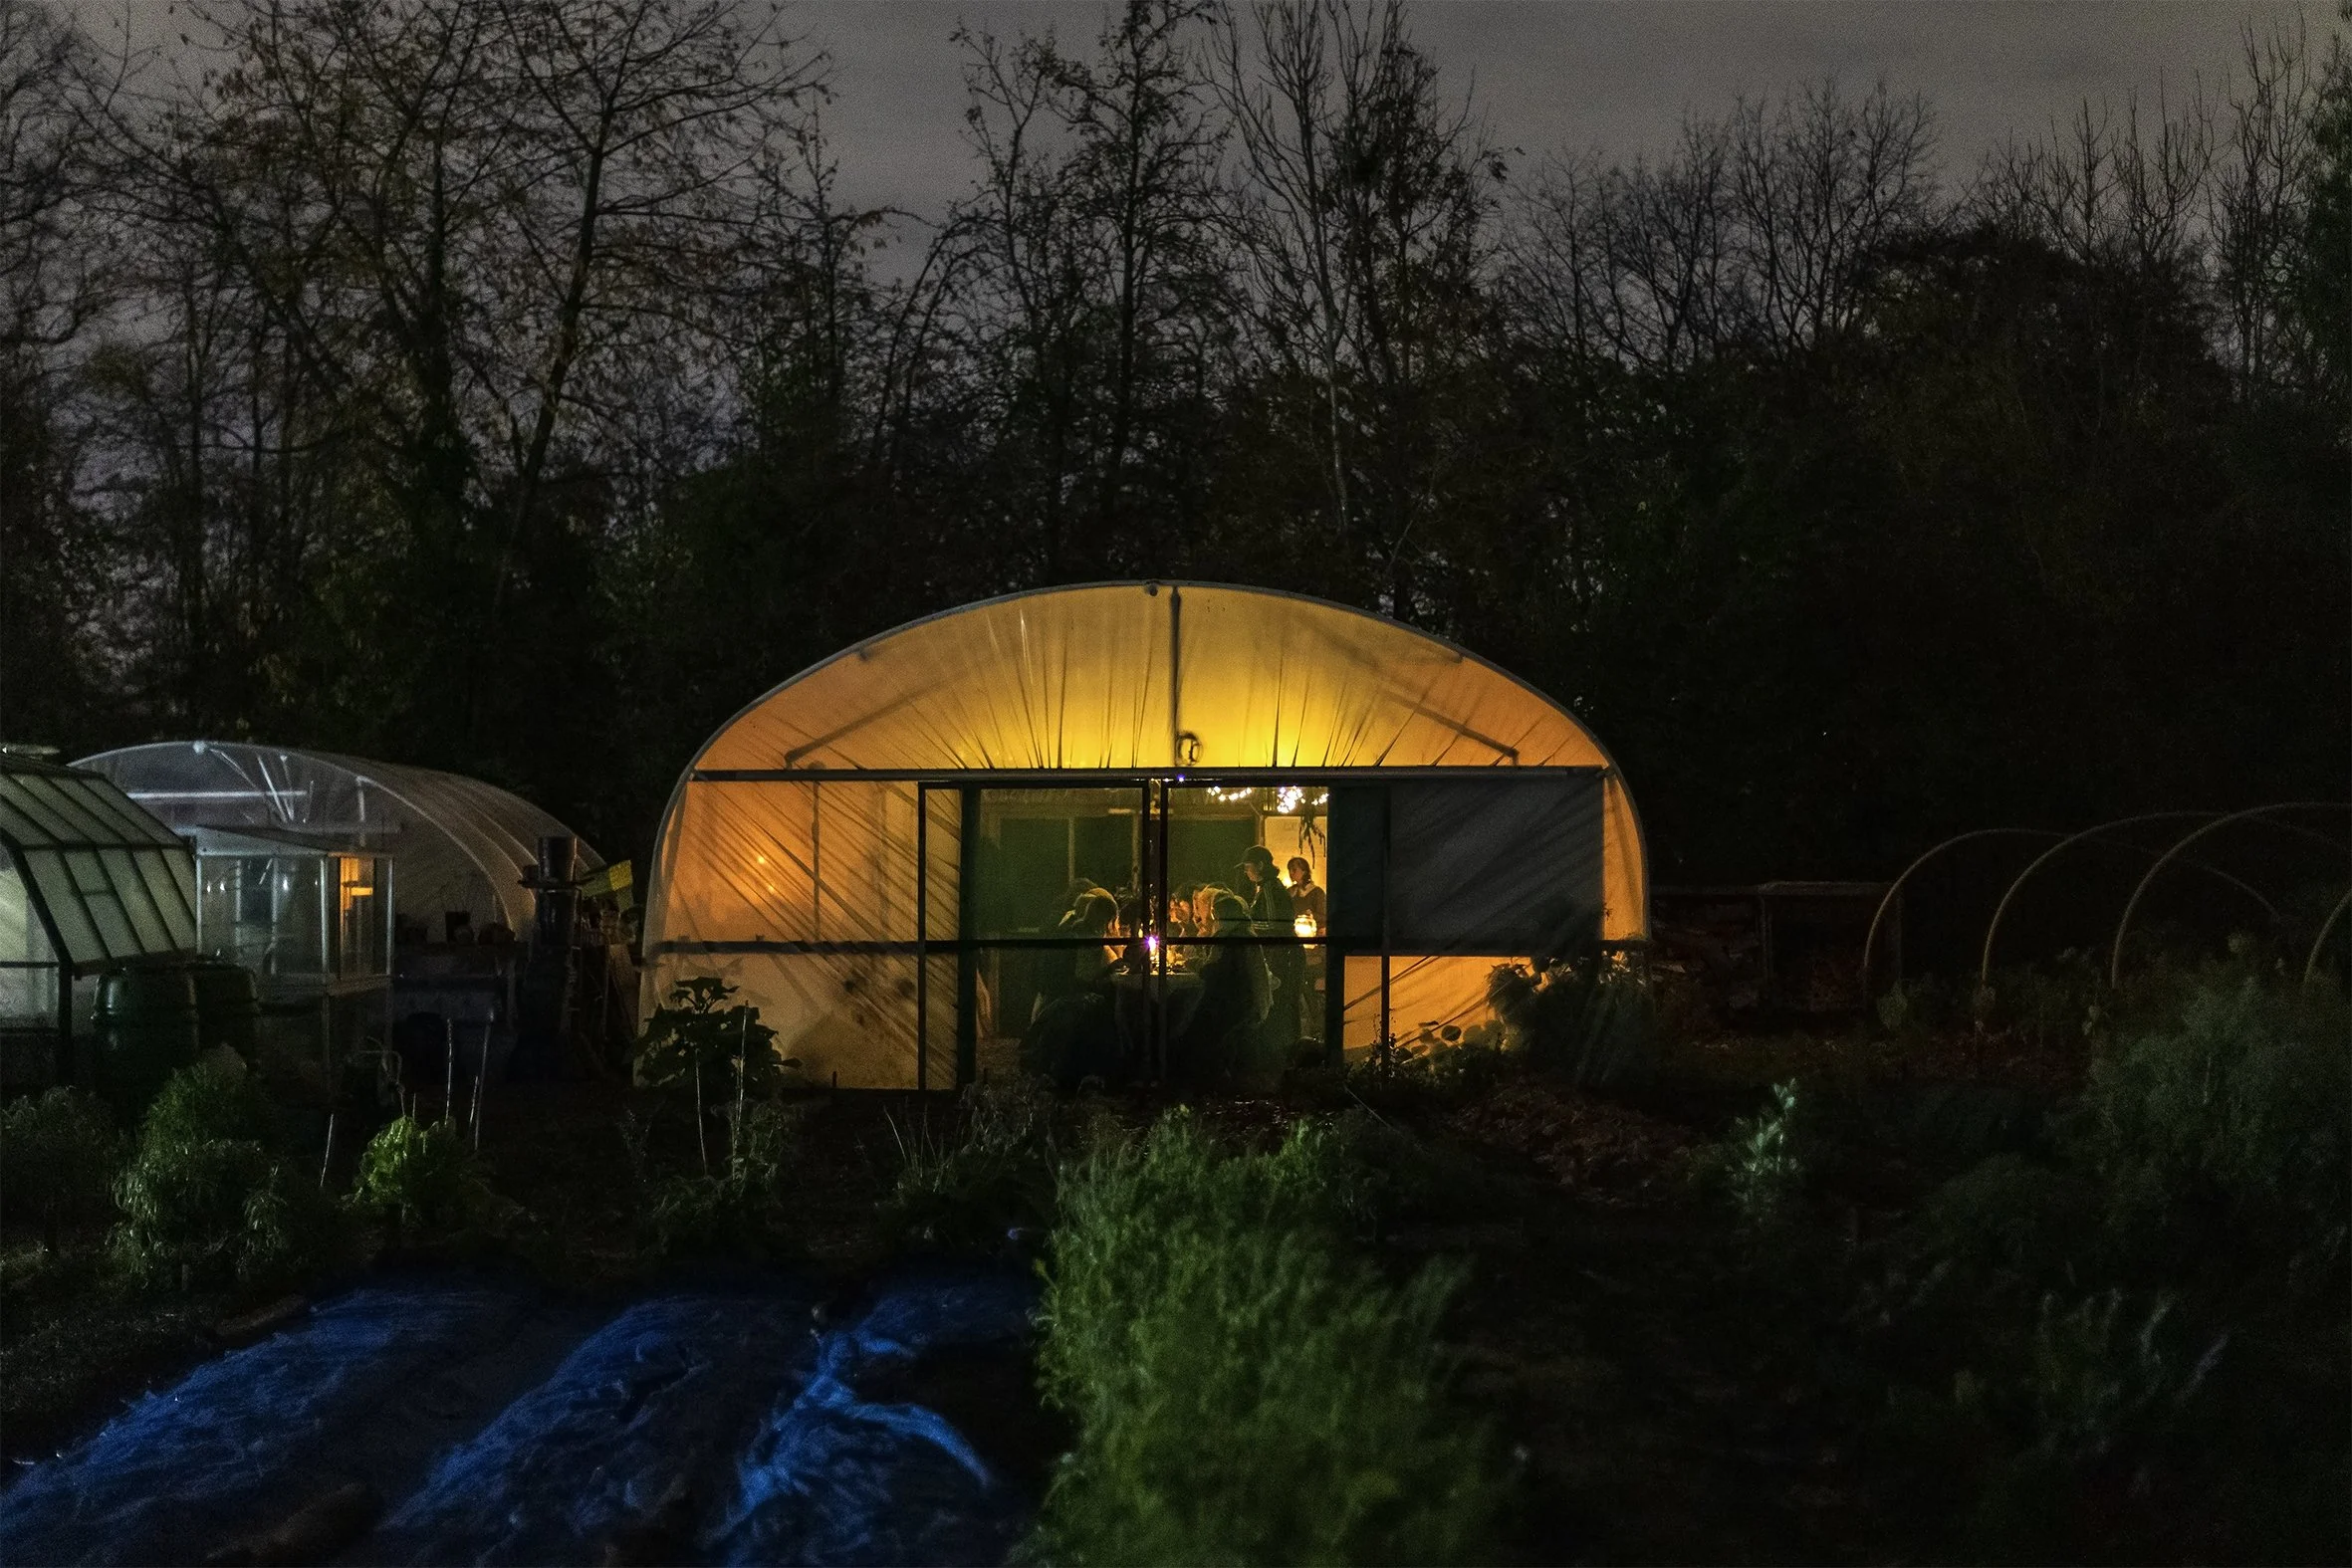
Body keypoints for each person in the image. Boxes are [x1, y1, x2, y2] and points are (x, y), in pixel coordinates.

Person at [1238, 847, 1302, 1052]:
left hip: (1281, 956)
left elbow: (1277, 925)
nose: (1246, 873)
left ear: (1260, 866)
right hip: (1280, 954)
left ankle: (1286, 1050)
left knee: (1282, 1003)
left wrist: (1248, 927)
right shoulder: (1267, 888)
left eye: (1248, 868)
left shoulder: (1269, 888)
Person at [1285, 856, 1326, 934]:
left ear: (1304, 871)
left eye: (1294, 870)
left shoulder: (1317, 893)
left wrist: (1311, 915)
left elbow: (1324, 917)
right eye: (1289, 870)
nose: (1291, 873)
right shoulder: (1289, 891)